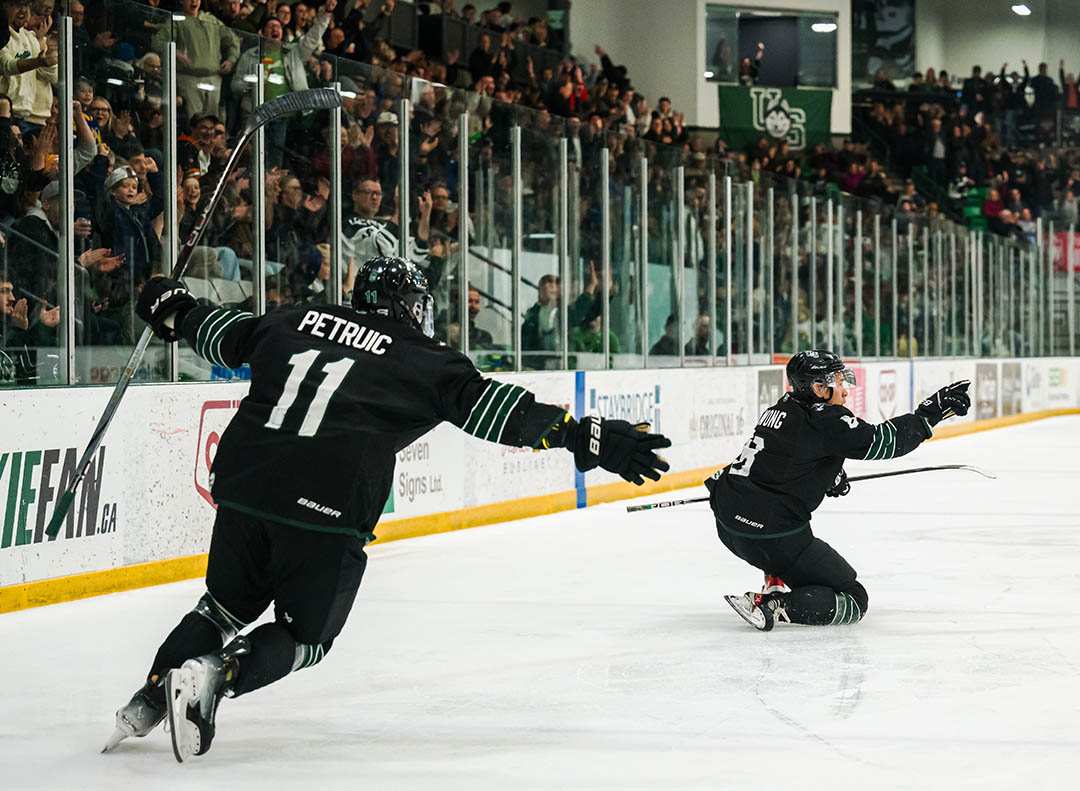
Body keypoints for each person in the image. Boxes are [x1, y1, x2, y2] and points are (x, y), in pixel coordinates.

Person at [105, 256, 671, 762]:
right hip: (326, 505)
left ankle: (146, 701)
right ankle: (214, 675)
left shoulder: (294, 319)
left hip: (242, 485)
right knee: (306, 638)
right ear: (405, 305)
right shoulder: (425, 360)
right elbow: (497, 412)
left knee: (222, 608)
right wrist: (582, 436)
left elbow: (221, 332)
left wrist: (173, 307)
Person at [708, 350, 970, 631]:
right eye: (837, 381)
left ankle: (775, 576)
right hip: (770, 537)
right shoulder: (828, 421)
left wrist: (827, 474)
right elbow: (886, 441)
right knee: (854, 599)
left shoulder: (780, 408)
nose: (844, 390)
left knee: (771, 522)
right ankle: (771, 605)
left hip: (728, 522)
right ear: (819, 389)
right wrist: (928, 415)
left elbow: (783, 459)